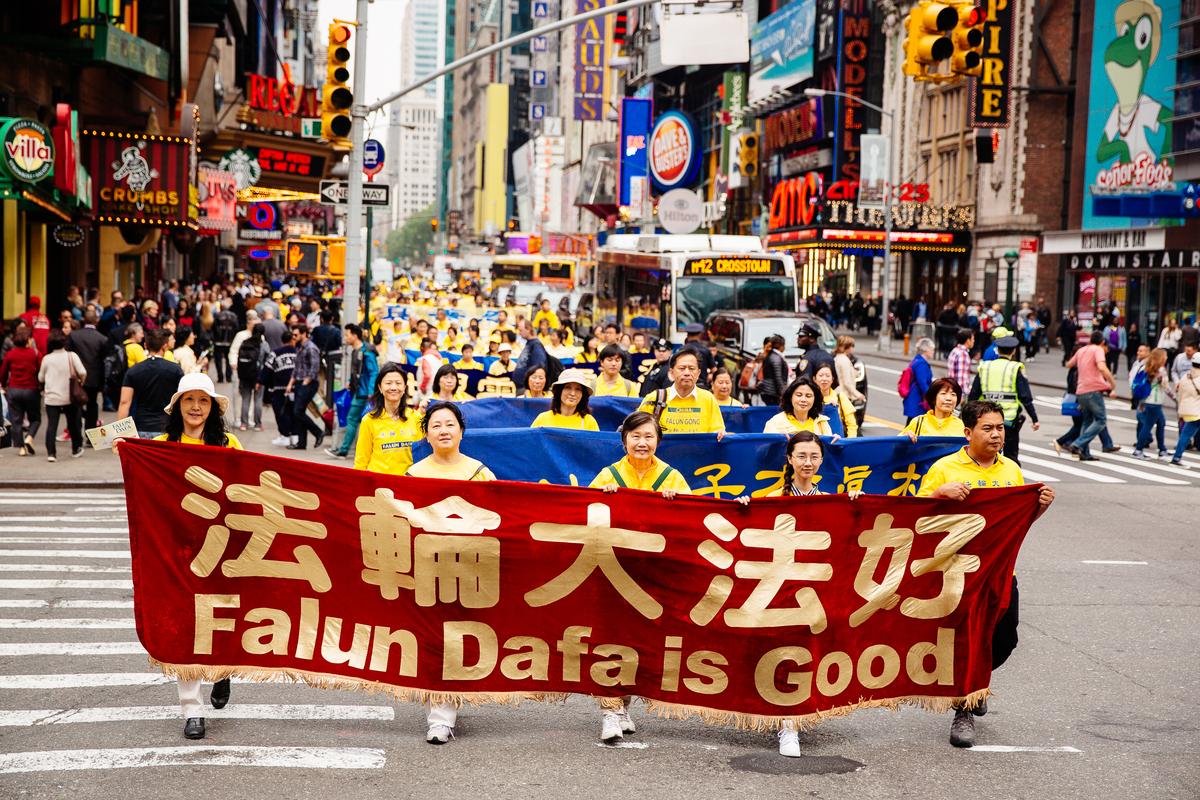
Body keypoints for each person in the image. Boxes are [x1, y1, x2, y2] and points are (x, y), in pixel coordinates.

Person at [917, 400, 1055, 748]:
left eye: (1000, 428)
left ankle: (975, 683)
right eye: (988, 428)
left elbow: (1018, 525)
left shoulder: (1011, 470)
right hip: (958, 573)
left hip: (1001, 570)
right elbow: (917, 519)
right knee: (968, 642)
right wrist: (939, 493)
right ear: (968, 432)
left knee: (1006, 639)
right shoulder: (945, 468)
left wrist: (1039, 508)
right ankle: (964, 707)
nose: (996, 435)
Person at [585, 409, 690, 744]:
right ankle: (609, 711)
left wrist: (677, 504)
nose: (642, 443)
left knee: (637, 643)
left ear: (658, 440)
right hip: (611, 570)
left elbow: (692, 522)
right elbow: (584, 514)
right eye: (636, 436)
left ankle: (624, 705)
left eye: (649, 436)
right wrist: (602, 499)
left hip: (650, 576)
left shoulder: (672, 477)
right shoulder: (609, 474)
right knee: (608, 639)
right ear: (624, 440)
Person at [148, 372, 240, 739]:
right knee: (185, 628)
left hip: (222, 547)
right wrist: (126, 452)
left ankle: (222, 671)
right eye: (189, 400)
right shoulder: (161, 445)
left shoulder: (229, 444)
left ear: (212, 408)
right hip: (177, 551)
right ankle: (192, 710)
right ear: (178, 406)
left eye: (203, 401)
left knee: (222, 619)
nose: (196, 407)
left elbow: (247, 488)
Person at [406, 401, 496, 745]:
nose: (443, 430)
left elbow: (499, 516)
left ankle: (448, 706)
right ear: (426, 435)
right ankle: (440, 714)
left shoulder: (480, 472)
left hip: (471, 568)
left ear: (461, 431)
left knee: (458, 638)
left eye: (450, 424)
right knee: (433, 639)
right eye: (436, 425)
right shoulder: (413, 475)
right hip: (428, 569)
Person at [968, 336, 1039, 464]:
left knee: (985, 453)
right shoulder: (1015, 368)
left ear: (997, 350)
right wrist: (1034, 418)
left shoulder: (984, 367)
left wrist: (967, 417)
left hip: (986, 418)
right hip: (1009, 420)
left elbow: (973, 394)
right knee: (1011, 456)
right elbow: (1025, 396)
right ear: (1013, 351)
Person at [638, 349, 726, 435]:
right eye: (682, 368)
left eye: (691, 368)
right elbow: (638, 431)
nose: (687, 373)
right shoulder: (654, 398)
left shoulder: (708, 399)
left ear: (698, 373)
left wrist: (720, 433)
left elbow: (717, 432)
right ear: (671, 372)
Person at [354, 364, 422, 474]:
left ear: (404, 388)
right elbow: (361, 460)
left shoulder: (416, 417)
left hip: (408, 480)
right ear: (380, 387)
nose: (393, 387)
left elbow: (422, 456)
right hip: (379, 482)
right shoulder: (368, 420)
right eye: (388, 383)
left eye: (398, 383)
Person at [117, 328, 183, 439]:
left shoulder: (133, 371)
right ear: (165, 346)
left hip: (140, 426)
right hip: (166, 427)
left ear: (145, 345)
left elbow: (124, 402)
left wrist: (120, 434)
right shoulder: (176, 370)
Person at [326, 324, 379, 459]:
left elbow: (373, 372)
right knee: (360, 421)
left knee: (352, 419)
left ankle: (344, 450)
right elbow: (357, 371)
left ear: (355, 336)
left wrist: (370, 391)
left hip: (363, 392)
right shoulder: (357, 351)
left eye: (347, 335)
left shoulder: (366, 351)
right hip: (360, 391)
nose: (345, 338)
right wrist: (351, 381)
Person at [1066, 331, 1118, 461]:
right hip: (1093, 390)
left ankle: (1084, 452)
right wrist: (1112, 383)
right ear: (1102, 342)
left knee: (1087, 421)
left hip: (1081, 390)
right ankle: (1078, 444)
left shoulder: (1082, 350)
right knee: (1101, 420)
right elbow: (1102, 367)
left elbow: (1069, 364)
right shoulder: (1097, 349)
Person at [37, 330, 87, 462]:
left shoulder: (47, 359)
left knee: (52, 425)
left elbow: (40, 378)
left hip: (52, 397)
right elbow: (82, 372)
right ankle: (76, 448)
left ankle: (51, 453)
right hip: (69, 397)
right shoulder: (72, 356)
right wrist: (81, 381)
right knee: (73, 424)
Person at [68, 308, 112, 433]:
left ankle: (76, 433)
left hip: (76, 376)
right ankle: (91, 434)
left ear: (83, 320)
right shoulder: (102, 339)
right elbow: (104, 361)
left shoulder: (74, 336)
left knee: (76, 405)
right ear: (96, 321)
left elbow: (69, 355)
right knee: (92, 404)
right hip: (94, 377)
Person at [285, 324, 325, 450]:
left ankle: (318, 432)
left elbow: (315, 368)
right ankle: (301, 442)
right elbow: (297, 368)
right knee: (299, 412)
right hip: (300, 382)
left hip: (308, 383)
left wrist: (306, 382)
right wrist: (291, 383)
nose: (294, 337)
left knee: (298, 411)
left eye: (296, 334)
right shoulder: (300, 347)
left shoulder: (311, 348)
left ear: (304, 334)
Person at [1132, 348, 1174, 460]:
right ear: (1161, 358)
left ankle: (1162, 449)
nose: (1166, 358)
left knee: (1161, 423)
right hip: (1155, 402)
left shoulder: (1145, 367)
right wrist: (1176, 399)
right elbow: (1166, 388)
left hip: (1145, 401)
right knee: (1148, 426)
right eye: (1165, 356)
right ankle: (1138, 450)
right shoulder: (1161, 370)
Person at [261, 328, 296, 447]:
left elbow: (267, 369)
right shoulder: (298, 352)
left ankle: (284, 435)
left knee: (281, 412)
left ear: (282, 340)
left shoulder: (275, 353)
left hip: (279, 388)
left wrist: (261, 382)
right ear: (292, 340)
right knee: (293, 412)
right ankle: (293, 435)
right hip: (295, 387)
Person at [532, 368, 600, 430]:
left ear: (582, 395)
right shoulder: (543, 419)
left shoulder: (589, 422)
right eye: (568, 387)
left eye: (578, 389)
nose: (573, 393)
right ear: (559, 391)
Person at [764, 377, 833, 436]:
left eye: (808, 396)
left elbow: (828, 446)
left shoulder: (822, 422)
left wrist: (835, 442)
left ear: (815, 399)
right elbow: (766, 447)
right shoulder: (775, 422)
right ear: (790, 397)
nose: (803, 400)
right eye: (799, 395)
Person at [234, 323, 268, 431]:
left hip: (244, 376)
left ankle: (244, 424)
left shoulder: (245, 343)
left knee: (245, 399)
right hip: (258, 376)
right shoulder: (264, 345)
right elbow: (267, 361)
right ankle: (258, 424)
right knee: (258, 400)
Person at [1169, 352, 1200, 468]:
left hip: (1186, 410)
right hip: (1197, 411)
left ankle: (1176, 457)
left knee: (1185, 434)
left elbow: (1180, 393)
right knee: (1186, 435)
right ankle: (1176, 458)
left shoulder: (1186, 376)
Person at [812, 363, 858, 437]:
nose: (824, 379)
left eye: (827, 376)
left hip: (838, 440)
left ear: (832, 379)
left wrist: (849, 441)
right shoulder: (810, 398)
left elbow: (851, 424)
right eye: (821, 375)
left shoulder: (840, 397)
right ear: (814, 379)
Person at [901, 338, 936, 423]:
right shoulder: (921, 364)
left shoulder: (916, 360)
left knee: (912, 424)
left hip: (913, 398)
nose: (933, 352)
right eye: (932, 349)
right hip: (917, 400)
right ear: (926, 350)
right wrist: (931, 397)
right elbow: (922, 383)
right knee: (914, 425)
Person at [513, 319, 550, 388]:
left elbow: (538, 367)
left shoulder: (536, 346)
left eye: (521, 330)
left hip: (526, 387)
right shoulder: (530, 343)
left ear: (528, 329)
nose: (519, 333)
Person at [833, 336, 865, 412]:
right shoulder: (844, 360)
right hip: (844, 396)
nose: (852, 348)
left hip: (838, 394)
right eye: (851, 346)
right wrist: (858, 394)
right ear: (846, 347)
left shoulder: (837, 358)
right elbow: (847, 382)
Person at [210, 299, 238, 383]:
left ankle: (220, 377)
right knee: (229, 359)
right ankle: (228, 377)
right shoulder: (233, 316)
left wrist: (214, 339)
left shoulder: (217, 315)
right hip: (229, 342)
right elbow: (236, 328)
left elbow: (213, 328)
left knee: (218, 360)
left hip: (218, 342)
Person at [758, 334, 790, 408]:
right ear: (781, 346)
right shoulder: (776, 358)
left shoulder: (771, 355)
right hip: (772, 393)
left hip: (768, 391)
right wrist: (783, 393)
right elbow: (778, 377)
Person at [946, 329, 974, 393]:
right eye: (973, 339)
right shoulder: (963, 354)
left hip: (952, 388)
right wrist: (962, 394)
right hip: (958, 392)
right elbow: (961, 378)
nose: (974, 341)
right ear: (968, 340)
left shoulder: (954, 351)